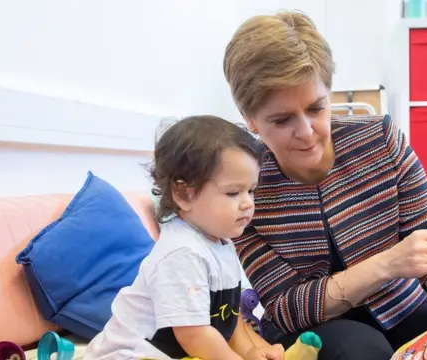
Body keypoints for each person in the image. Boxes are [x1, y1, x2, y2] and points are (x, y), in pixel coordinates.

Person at [223, 10, 427, 360]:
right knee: (362, 350)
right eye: (282, 119)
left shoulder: (380, 141)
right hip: (310, 331)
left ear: (329, 93)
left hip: (400, 306)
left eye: (315, 109)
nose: (307, 133)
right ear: (251, 121)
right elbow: (285, 307)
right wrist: (388, 263)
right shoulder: (245, 188)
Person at [83, 115, 284, 360]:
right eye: (233, 192)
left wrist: (252, 352)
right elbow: (194, 335)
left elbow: (229, 323)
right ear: (184, 194)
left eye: (250, 190)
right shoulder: (182, 252)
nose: (247, 203)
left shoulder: (222, 243)